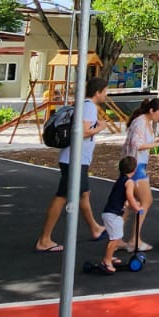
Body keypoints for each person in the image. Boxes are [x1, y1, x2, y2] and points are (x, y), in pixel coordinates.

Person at [34, 77, 109, 253]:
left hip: (74, 158)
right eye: (105, 91)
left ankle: (95, 228)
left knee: (84, 194)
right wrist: (101, 127)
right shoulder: (89, 107)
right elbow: (83, 132)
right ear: (97, 92)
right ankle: (44, 239)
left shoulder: (81, 104)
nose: (107, 94)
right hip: (75, 160)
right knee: (62, 196)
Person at [124, 95, 159, 252]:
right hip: (136, 166)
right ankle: (134, 240)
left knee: (128, 204)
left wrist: (155, 141)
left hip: (137, 165)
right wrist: (157, 144)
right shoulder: (141, 122)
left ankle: (117, 240)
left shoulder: (145, 122)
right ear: (151, 110)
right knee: (145, 201)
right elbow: (137, 145)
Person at [98, 156, 141, 273]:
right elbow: (130, 196)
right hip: (112, 214)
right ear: (134, 169)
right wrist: (136, 207)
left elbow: (122, 196)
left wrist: (129, 204)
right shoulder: (129, 182)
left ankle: (110, 256)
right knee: (115, 238)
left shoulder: (121, 179)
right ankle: (106, 261)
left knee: (115, 236)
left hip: (110, 213)